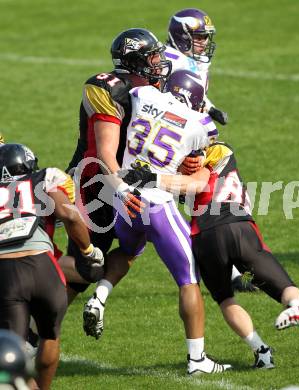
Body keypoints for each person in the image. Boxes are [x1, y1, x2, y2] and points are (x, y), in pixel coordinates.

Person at [121, 140, 299, 366]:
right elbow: (197, 177)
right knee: (284, 287)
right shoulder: (219, 152)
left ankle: (262, 352)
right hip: (239, 227)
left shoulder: (189, 163)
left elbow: (190, 182)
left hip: (205, 237)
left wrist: (152, 178)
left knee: (225, 299)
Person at [84, 69, 232, 375]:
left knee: (128, 251)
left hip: (124, 198)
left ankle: (99, 297)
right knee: (188, 278)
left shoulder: (142, 95)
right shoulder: (202, 124)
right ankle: (197, 359)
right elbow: (194, 163)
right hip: (158, 201)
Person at [62, 28, 171, 311]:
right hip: (96, 184)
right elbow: (104, 151)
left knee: (132, 247)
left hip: (130, 183)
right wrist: (121, 190)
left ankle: (47, 323)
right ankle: (31, 291)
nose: (158, 63)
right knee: (84, 267)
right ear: (134, 61)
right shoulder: (109, 88)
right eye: (152, 58)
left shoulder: (152, 91)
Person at [165, 9, 257, 292]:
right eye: (199, 36)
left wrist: (210, 107)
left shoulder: (191, 61)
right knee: (188, 201)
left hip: (185, 138)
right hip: (169, 143)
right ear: (182, 36)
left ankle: (227, 271)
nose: (204, 42)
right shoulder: (169, 61)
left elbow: (191, 94)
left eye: (206, 37)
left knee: (202, 198)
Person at [0, 143, 104, 389]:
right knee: (50, 337)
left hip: (6, 274)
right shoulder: (43, 177)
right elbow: (69, 215)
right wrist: (89, 251)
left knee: (10, 356)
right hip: (44, 267)